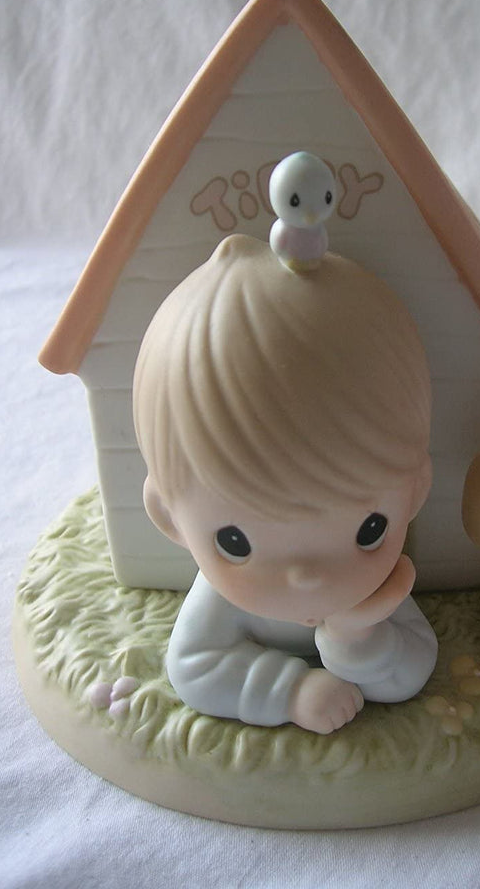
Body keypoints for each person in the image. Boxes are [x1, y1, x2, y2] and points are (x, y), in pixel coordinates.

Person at [133, 233, 437, 734]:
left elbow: (411, 670)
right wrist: (291, 691)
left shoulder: (374, 589)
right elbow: (194, 667)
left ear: (414, 494)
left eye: (370, 531)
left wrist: (356, 638)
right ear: (170, 519)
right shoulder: (222, 599)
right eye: (236, 543)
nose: (307, 577)